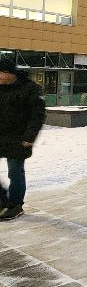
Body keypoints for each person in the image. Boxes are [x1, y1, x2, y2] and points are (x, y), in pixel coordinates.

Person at [0, 54, 46, 221]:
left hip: (19, 139)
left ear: (9, 73)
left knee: (15, 171)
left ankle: (16, 205)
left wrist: (29, 137)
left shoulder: (30, 88)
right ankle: (3, 201)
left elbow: (38, 115)